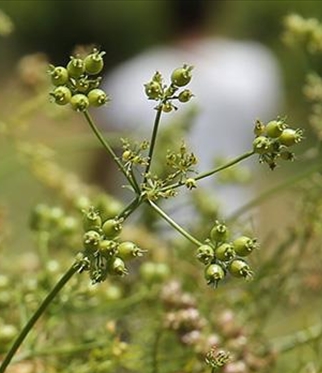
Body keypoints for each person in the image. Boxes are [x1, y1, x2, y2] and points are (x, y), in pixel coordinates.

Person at [95, 0, 282, 232]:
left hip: (141, 240)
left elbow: (99, 177)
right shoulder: (255, 69)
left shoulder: (128, 81)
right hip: (230, 235)